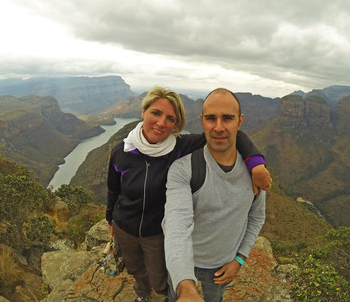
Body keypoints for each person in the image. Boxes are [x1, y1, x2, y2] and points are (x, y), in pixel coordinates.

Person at [106, 86, 271, 302]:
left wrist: (255, 163)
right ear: (143, 112)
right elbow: (114, 189)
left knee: (161, 279)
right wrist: (110, 219)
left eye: (170, 118)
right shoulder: (122, 151)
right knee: (136, 268)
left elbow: (226, 136)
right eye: (156, 113)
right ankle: (142, 294)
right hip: (125, 227)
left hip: (155, 232)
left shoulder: (179, 148)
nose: (162, 123)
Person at [162, 88, 267, 302]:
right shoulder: (183, 169)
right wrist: (185, 286)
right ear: (202, 121)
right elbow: (176, 223)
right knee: (174, 297)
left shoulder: (254, 173)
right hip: (184, 259)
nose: (218, 127)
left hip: (222, 265)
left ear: (240, 121)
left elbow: (256, 217)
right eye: (211, 118)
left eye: (227, 118)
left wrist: (239, 259)